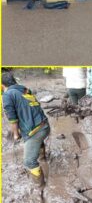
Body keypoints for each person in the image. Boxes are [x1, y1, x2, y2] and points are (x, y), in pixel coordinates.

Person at [2, 72, 50, 202]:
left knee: (28, 161)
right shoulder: (25, 89)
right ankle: (43, 159)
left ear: (2, 85)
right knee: (37, 141)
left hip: (35, 131)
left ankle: (40, 186)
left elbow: (12, 120)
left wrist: (16, 134)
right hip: (45, 125)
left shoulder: (7, 95)